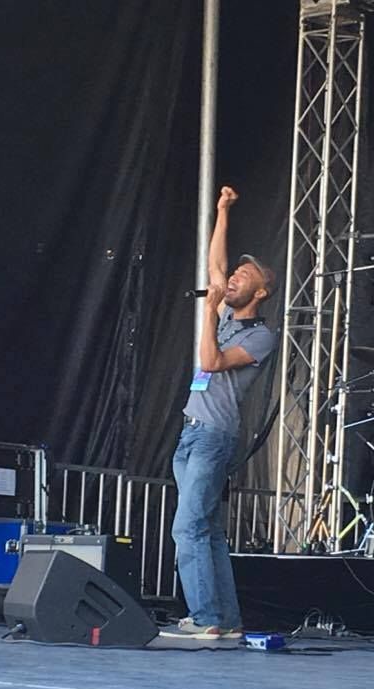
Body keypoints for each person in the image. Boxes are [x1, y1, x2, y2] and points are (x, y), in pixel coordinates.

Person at [162, 186, 276, 640]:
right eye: (236, 272)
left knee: (187, 527)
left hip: (214, 435)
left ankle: (205, 618)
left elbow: (210, 362)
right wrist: (222, 210)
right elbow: (215, 264)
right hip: (191, 432)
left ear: (259, 292)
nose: (233, 278)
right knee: (207, 529)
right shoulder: (226, 312)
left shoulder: (260, 336)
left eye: (244, 276)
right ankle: (227, 621)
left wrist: (209, 312)